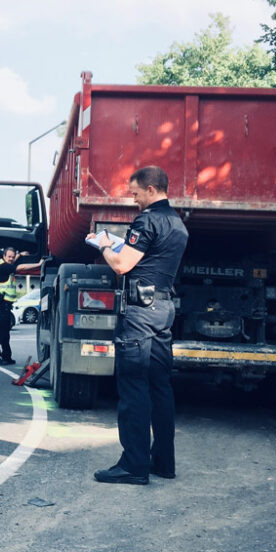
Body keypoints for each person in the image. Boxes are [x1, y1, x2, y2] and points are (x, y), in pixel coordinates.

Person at [87, 165, 188, 486]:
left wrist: (101, 244)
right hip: (164, 309)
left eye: (135, 193)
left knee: (132, 385)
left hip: (141, 312)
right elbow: (151, 258)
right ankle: (163, 461)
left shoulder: (147, 220)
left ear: (151, 189)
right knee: (160, 385)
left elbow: (123, 265)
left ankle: (133, 465)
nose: (134, 200)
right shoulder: (178, 224)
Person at [0, 246, 42, 365]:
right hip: (0, 303)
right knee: (0, 331)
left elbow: (14, 262)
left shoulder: (3, 263)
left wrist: (20, 255)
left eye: (13, 257)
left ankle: (6, 356)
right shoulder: (4, 267)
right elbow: (20, 267)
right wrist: (38, 265)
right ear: (4, 256)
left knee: (5, 331)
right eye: (9, 257)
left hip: (4, 304)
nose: (11, 259)